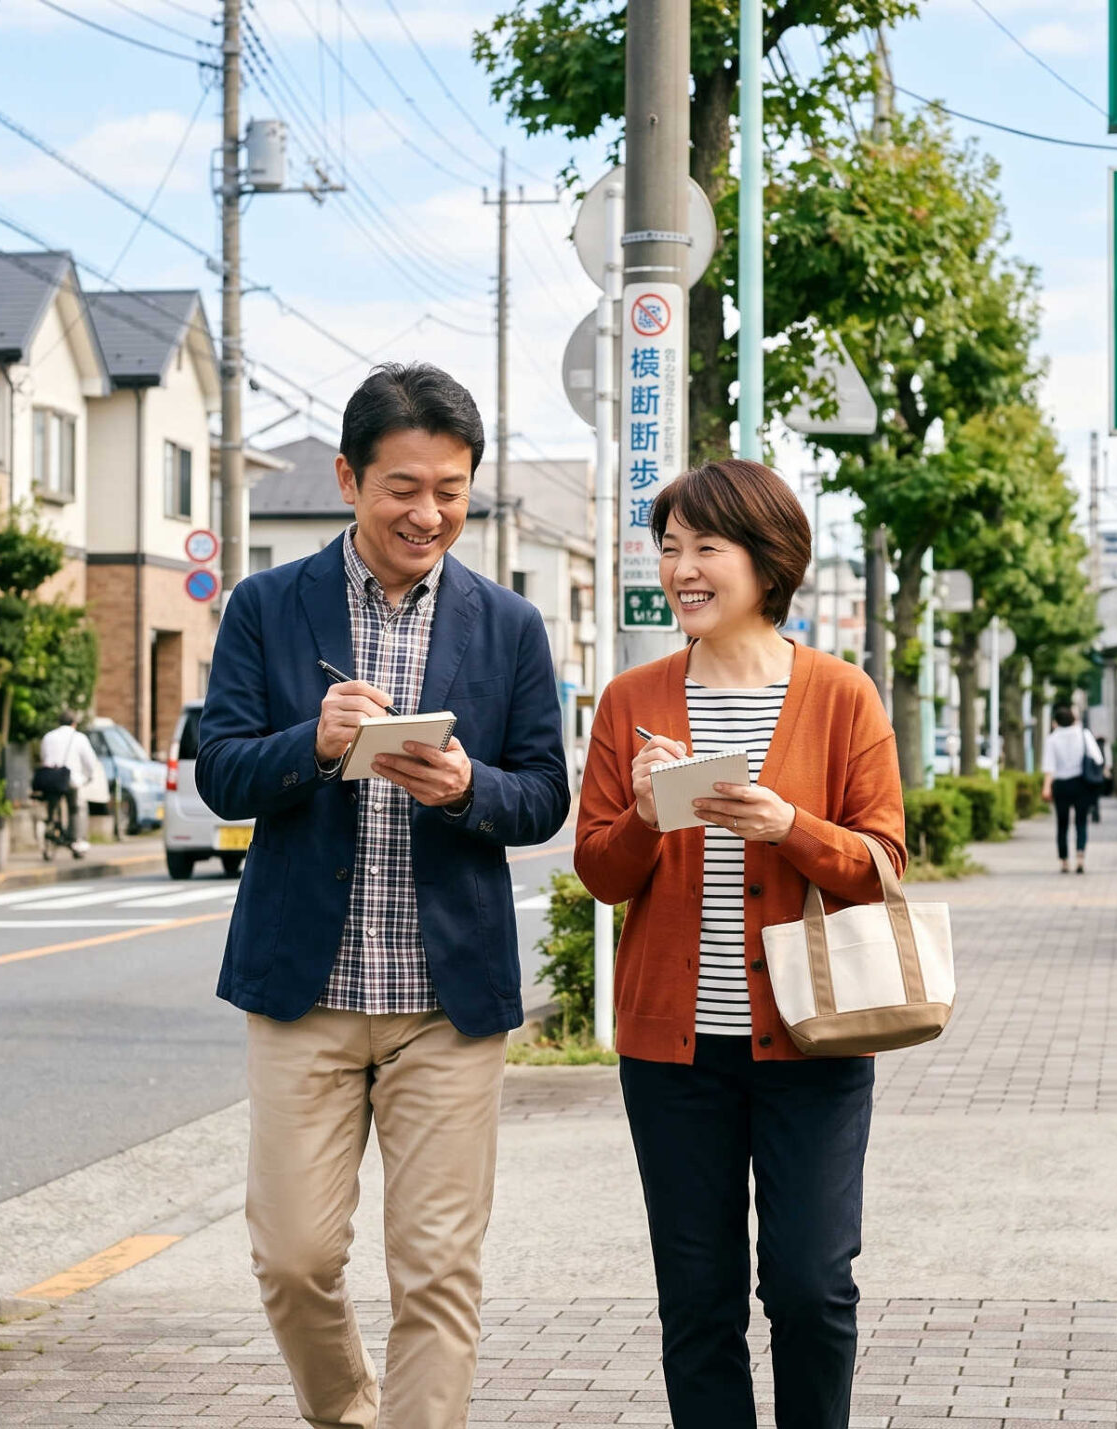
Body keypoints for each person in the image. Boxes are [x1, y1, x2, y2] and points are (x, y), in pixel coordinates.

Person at [192, 363, 571, 1429]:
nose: (428, 512)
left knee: (438, 1269)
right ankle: (349, 1411)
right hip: (303, 994)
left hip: (447, 1002)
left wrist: (466, 787)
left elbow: (544, 794)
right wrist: (309, 743)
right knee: (294, 1257)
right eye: (405, 486)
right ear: (350, 478)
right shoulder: (270, 606)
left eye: (451, 489)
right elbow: (218, 767)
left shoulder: (507, 627)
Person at [575, 458, 906, 1429]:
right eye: (667, 547)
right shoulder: (628, 702)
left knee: (810, 1286)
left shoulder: (843, 695)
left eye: (704, 548)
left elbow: (883, 862)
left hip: (814, 1038)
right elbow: (601, 875)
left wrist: (786, 827)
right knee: (697, 1299)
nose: (680, 568)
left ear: (767, 561)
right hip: (672, 1056)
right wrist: (642, 817)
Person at [33, 709, 107, 856]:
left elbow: (43, 756)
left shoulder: (49, 736)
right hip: (70, 780)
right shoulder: (79, 738)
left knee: (52, 803)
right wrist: (89, 777)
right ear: (74, 723)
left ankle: (49, 824)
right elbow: (90, 762)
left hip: (49, 779)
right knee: (77, 807)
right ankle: (77, 840)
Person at [1042, 706, 1105, 874]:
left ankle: (1064, 862)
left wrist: (1046, 787)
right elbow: (1098, 757)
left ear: (1056, 721)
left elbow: (1049, 766)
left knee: (1062, 824)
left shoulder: (1052, 739)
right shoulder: (1083, 734)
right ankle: (1080, 858)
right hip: (1081, 783)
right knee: (1081, 822)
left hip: (1061, 785)